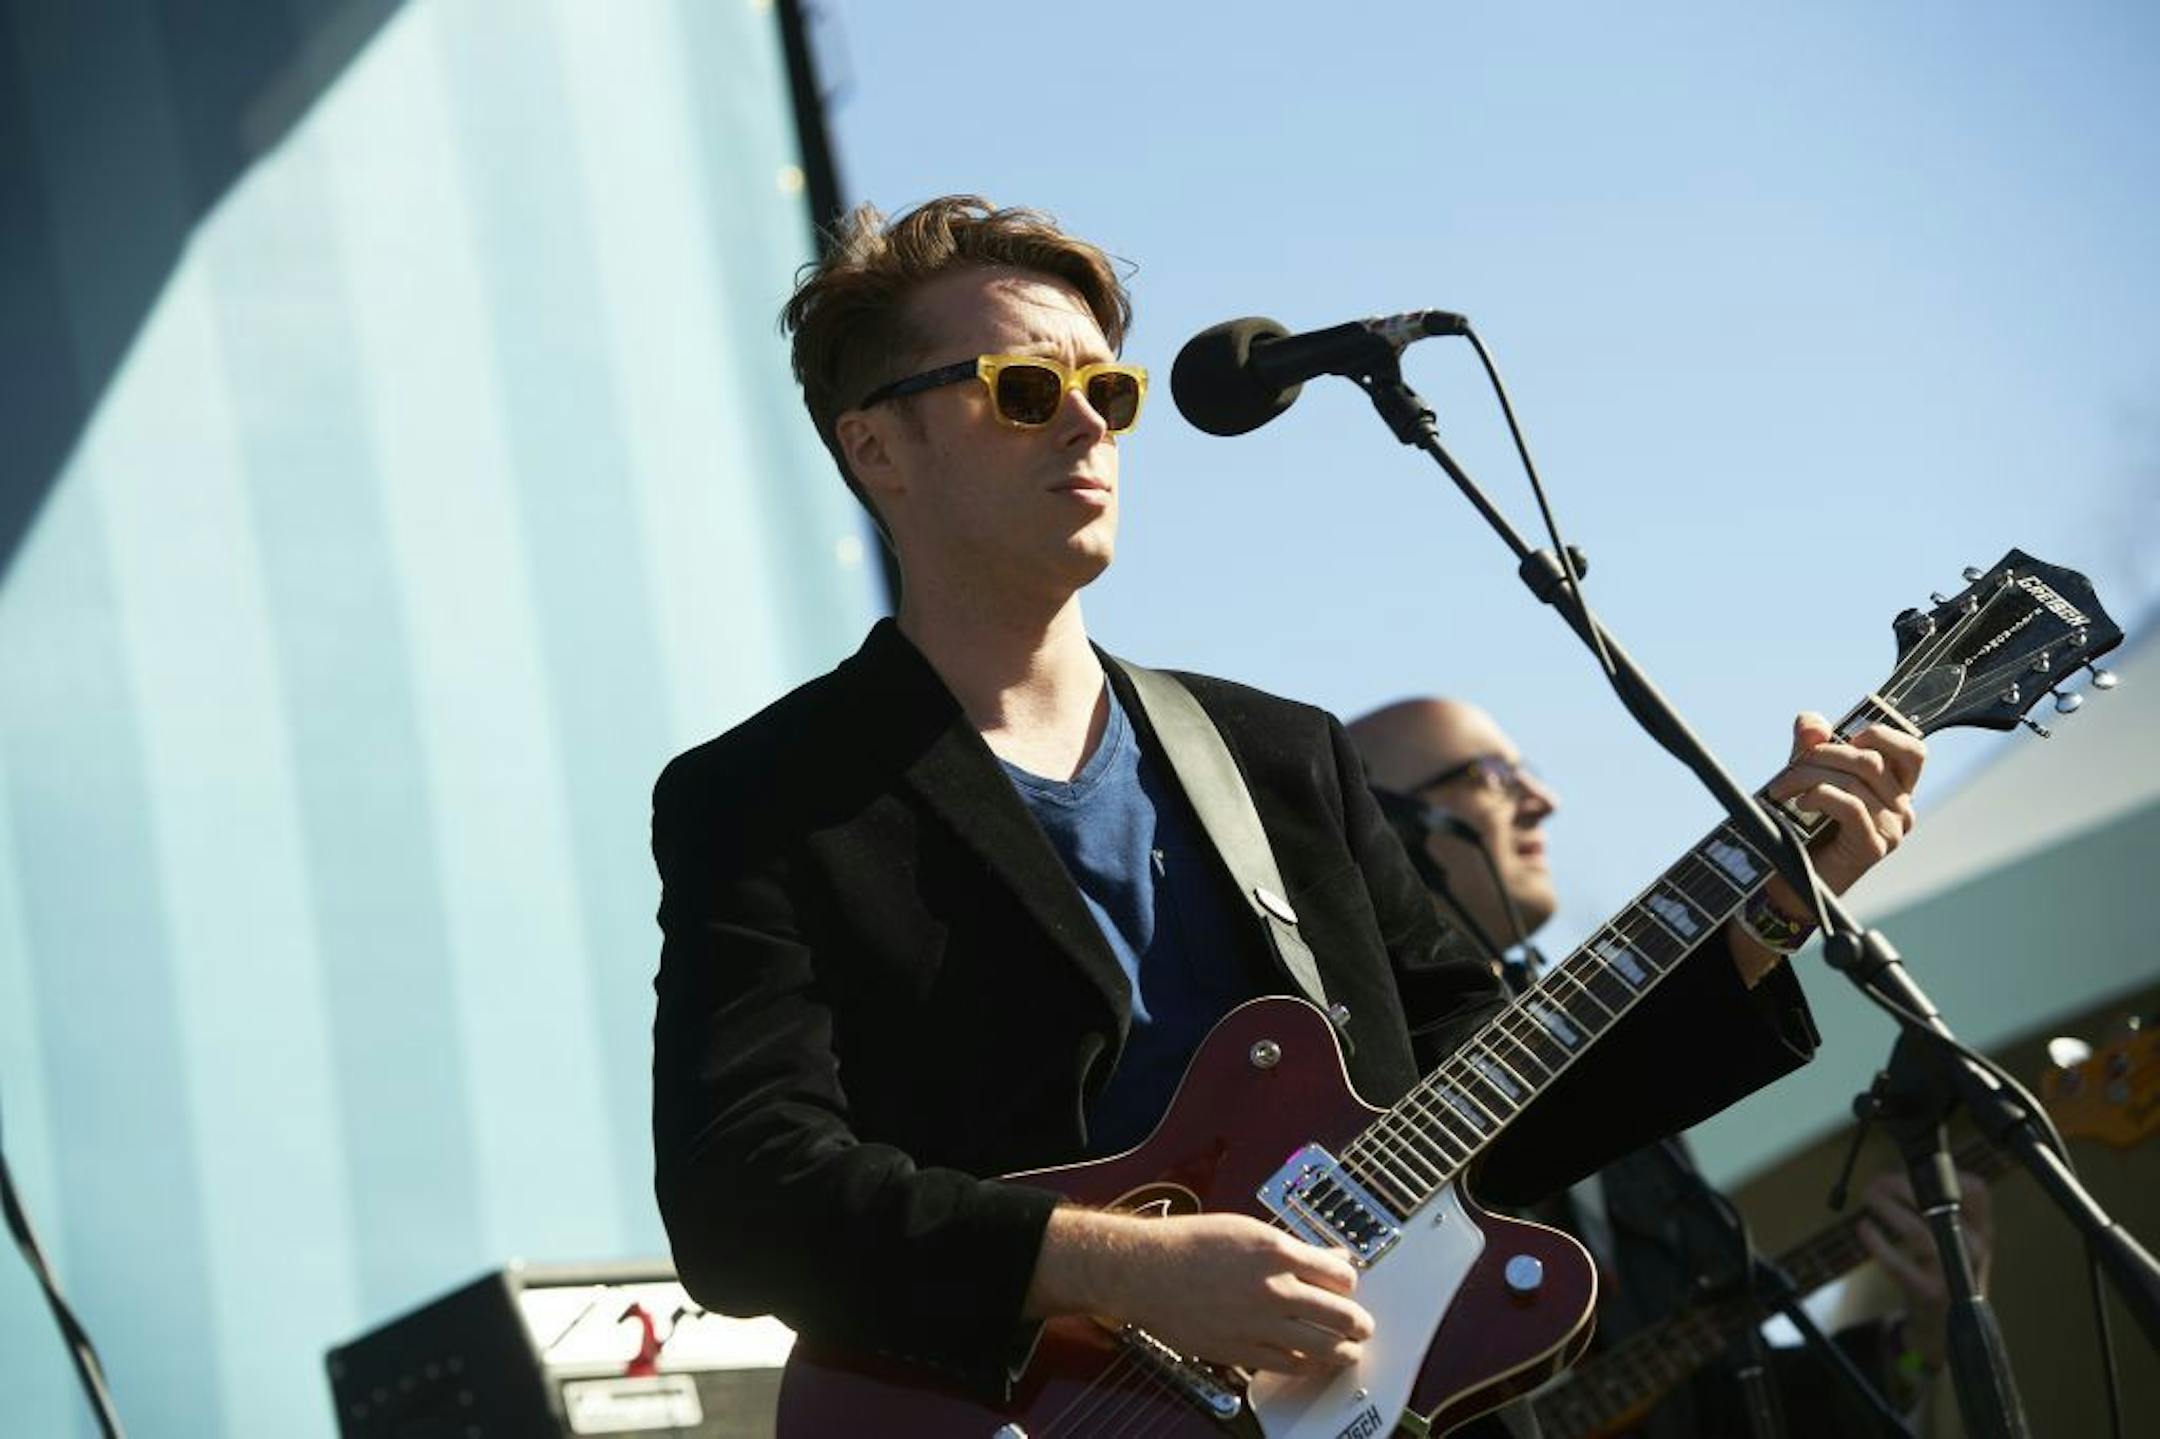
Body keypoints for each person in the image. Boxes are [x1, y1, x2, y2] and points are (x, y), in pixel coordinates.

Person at [648, 195, 1926, 1417]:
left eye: (1109, 390)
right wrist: (1119, 1265)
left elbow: (1493, 1100)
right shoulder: (773, 797)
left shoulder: (1277, 753)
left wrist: (1750, 924)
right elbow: (745, 1196)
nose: (1086, 426)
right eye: (1025, 390)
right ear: (876, 445)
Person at [1348, 697, 1989, 1436]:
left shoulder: (1624, 1070)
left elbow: (1731, 1400)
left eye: (1529, 772)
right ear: (1380, 825)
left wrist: (1920, 1342)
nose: (1542, 800)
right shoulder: (1341, 1072)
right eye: (1491, 775)